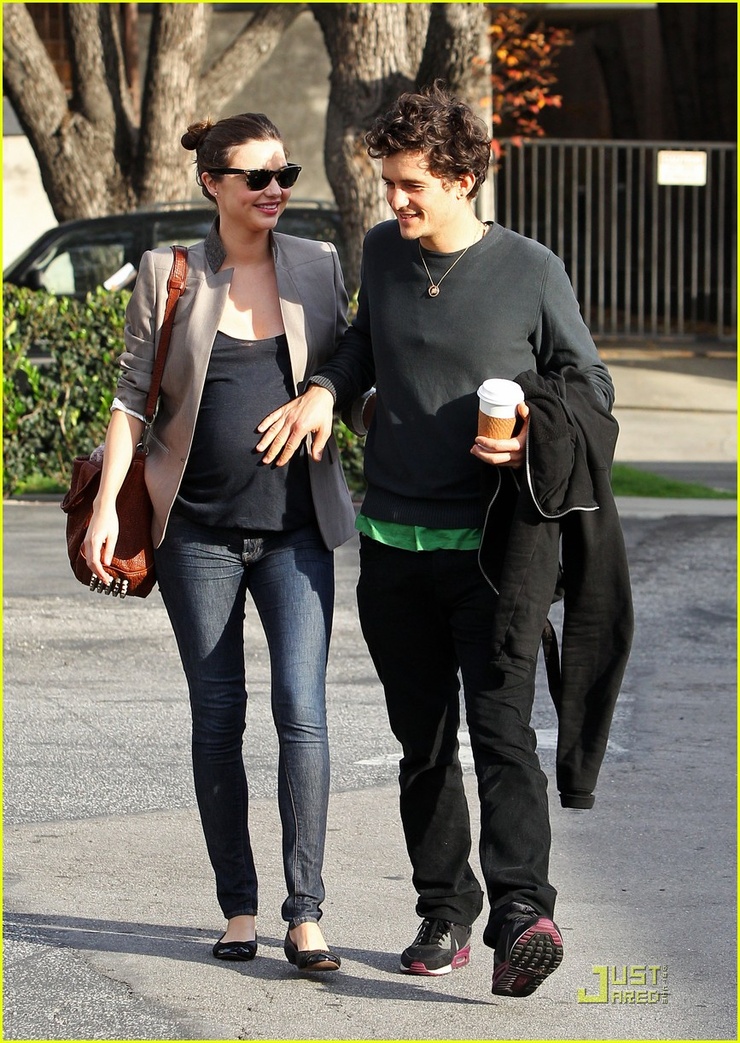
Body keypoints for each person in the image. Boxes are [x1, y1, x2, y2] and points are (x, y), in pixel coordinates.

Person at [256, 84, 632, 997]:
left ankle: (522, 914)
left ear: (463, 179)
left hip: (496, 554)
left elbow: (592, 386)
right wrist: (327, 389)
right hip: (392, 543)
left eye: (412, 185)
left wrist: (530, 430)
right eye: (389, 183)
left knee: (502, 734)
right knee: (422, 741)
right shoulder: (385, 251)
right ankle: (444, 908)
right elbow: (364, 343)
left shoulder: (531, 270)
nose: (395, 201)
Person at [83, 112, 358, 973]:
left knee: (302, 711)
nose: (276, 189)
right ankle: (238, 905)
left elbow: (349, 373)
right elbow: (133, 396)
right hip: (194, 532)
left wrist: (328, 395)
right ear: (213, 183)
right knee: (217, 715)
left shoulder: (317, 264)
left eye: (286, 174)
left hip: (296, 533)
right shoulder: (169, 271)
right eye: (257, 176)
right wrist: (107, 505)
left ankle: (305, 913)